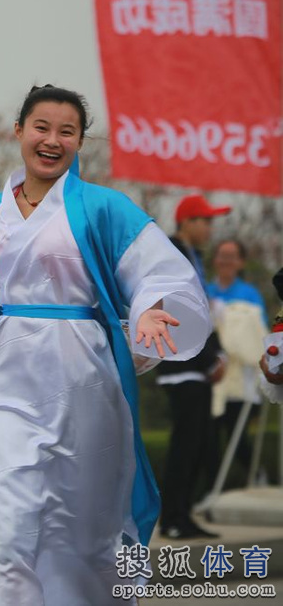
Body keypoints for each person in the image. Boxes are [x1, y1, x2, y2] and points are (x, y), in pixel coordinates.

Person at [0, 85, 212, 605]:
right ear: (19, 131)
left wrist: (150, 307)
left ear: (80, 142)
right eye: (41, 127)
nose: (52, 140)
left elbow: (158, 272)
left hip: (83, 377)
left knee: (84, 529)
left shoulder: (105, 207)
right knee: (12, 527)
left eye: (67, 131)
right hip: (6, 379)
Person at [156, 193, 230, 539]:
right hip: (180, 364)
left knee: (198, 443)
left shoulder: (192, 256)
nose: (210, 229)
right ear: (187, 222)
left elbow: (203, 312)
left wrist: (218, 355)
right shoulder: (171, 253)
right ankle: (172, 519)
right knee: (185, 445)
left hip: (197, 364)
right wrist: (208, 359)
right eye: (206, 221)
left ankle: (183, 516)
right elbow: (178, 311)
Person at [205, 239, 268, 480]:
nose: (226, 261)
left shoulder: (250, 294)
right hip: (212, 375)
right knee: (209, 438)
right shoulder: (206, 291)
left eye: (232, 256)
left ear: (241, 262)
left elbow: (257, 335)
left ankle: (257, 476)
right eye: (222, 255)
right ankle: (211, 489)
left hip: (241, 377)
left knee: (237, 435)